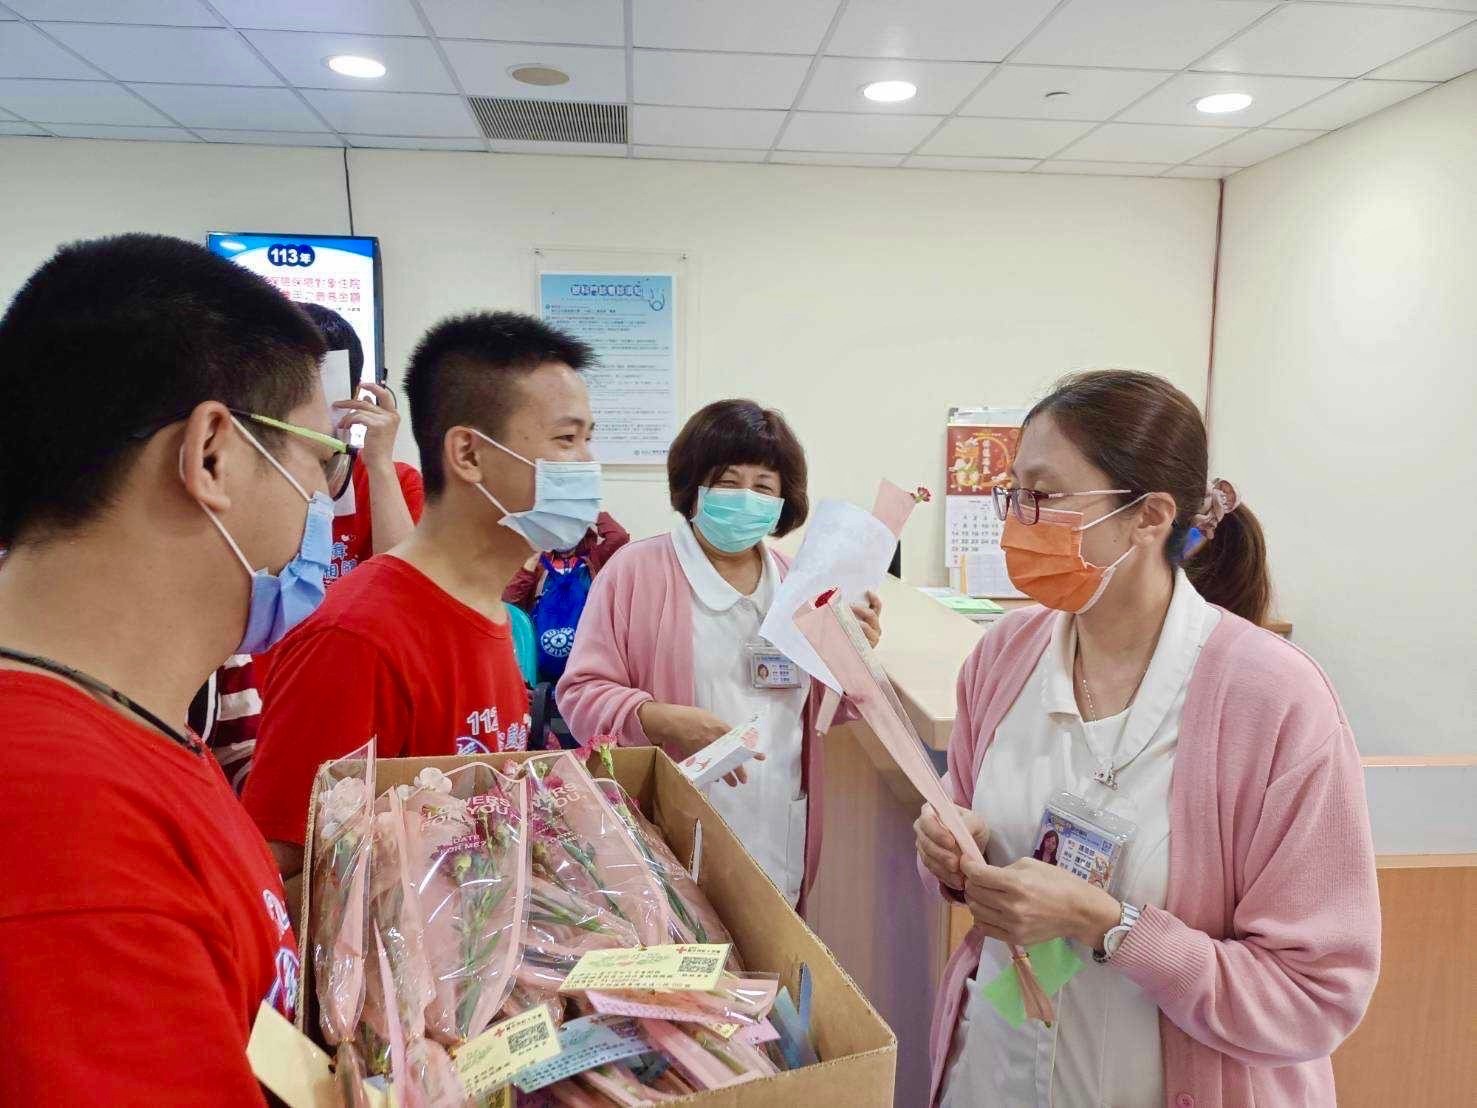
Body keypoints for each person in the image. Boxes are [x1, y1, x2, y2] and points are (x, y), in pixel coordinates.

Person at [913, 370, 1379, 1107]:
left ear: (1149, 516)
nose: (1017, 521)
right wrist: (948, 848)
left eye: (1044, 495)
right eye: (1014, 492)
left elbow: (1312, 997)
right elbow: (966, 808)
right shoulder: (1005, 656)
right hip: (995, 1069)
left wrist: (1107, 925)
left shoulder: (1275, 701)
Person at [0, 233, 337, 1102]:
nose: (325, 506)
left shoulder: (134, 724)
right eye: (320, 458)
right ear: (212, 453)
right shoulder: (62, 828)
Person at [243, 311, 597, 877]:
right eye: (566, 439)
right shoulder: (356, 638)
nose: (587, 464)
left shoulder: (493, 614)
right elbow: (281, 865)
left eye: (587, 439)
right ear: (469, 454)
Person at [558, 399, 882, 911]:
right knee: (682, 946)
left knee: (770, 950)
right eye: (728, 482)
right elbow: (580, 695)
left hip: (777, 831)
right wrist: (662, 720)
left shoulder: (799, 584)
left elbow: (827, 710)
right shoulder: (634, 572)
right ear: (694, 487)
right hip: (666, 834)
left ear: (784, 500)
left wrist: (853, 656)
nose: (746, 498)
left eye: (764, 486)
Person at [192, 303, 424, 792]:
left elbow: (406, 597)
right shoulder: (246, 481)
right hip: (254, 703)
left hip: (349, 705)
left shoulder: (392, 480)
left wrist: (379, 464)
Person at [503, 509, 630, 684]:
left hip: (587, 663)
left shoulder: (594, 558)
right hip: (541, 669)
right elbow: (510, 604)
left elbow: (619, 537)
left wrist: (587, 509)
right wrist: (530, 564)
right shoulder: (539, 566)